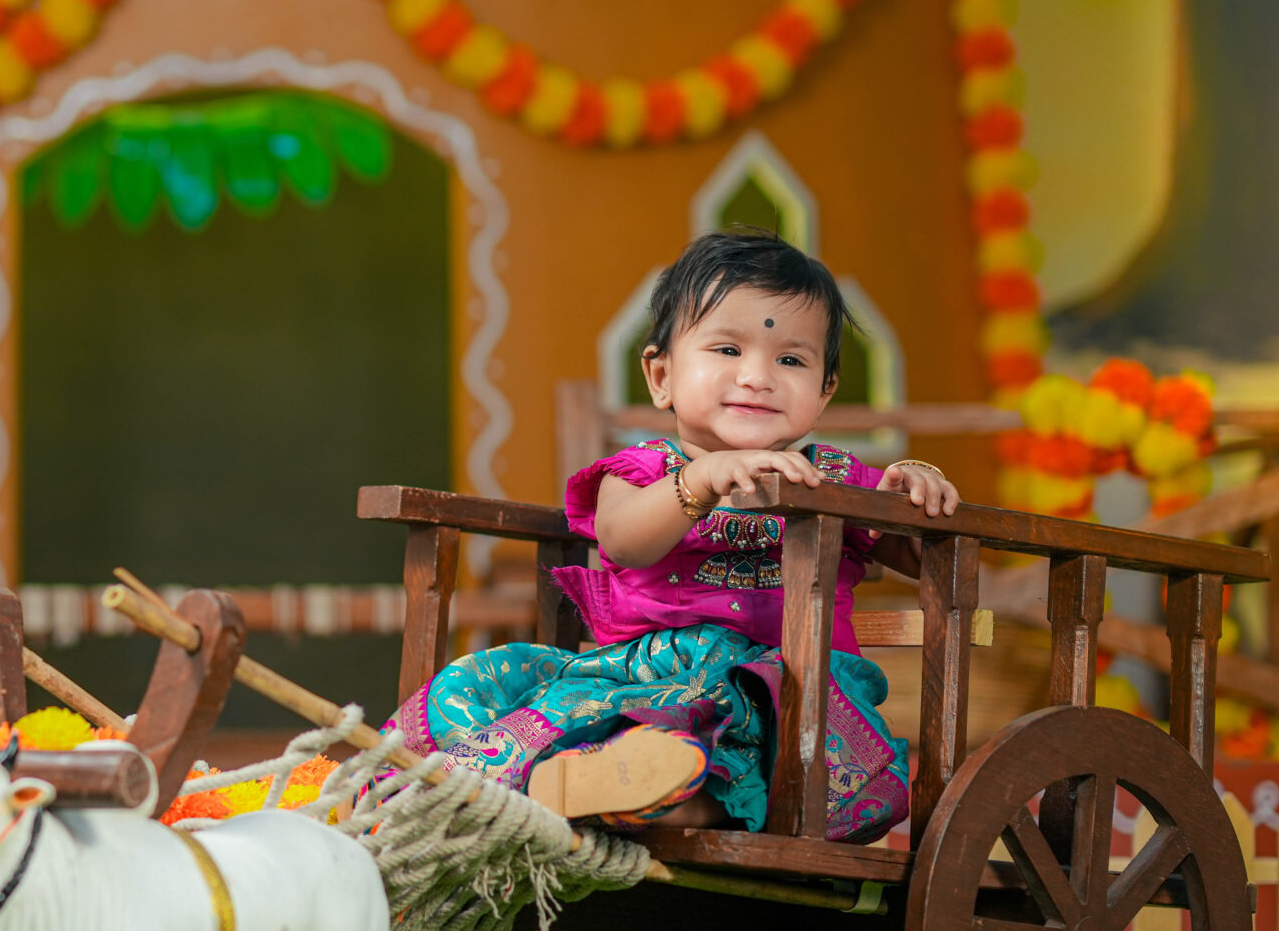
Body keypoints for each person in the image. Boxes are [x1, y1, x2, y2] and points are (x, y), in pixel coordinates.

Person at [383, 228, 960, 843]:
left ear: (824, 393)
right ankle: (574, 780)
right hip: (651, 682)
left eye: (791, 360)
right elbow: (622, 541)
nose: (758, 376)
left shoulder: (836, 481)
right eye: (727, 349)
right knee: (556, 709)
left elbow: (922, 561)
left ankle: (647, 796)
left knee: (763, 751)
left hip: (795, 696)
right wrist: (700, 481)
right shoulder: (645, 471)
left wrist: (915, 492)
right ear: (661, 376)